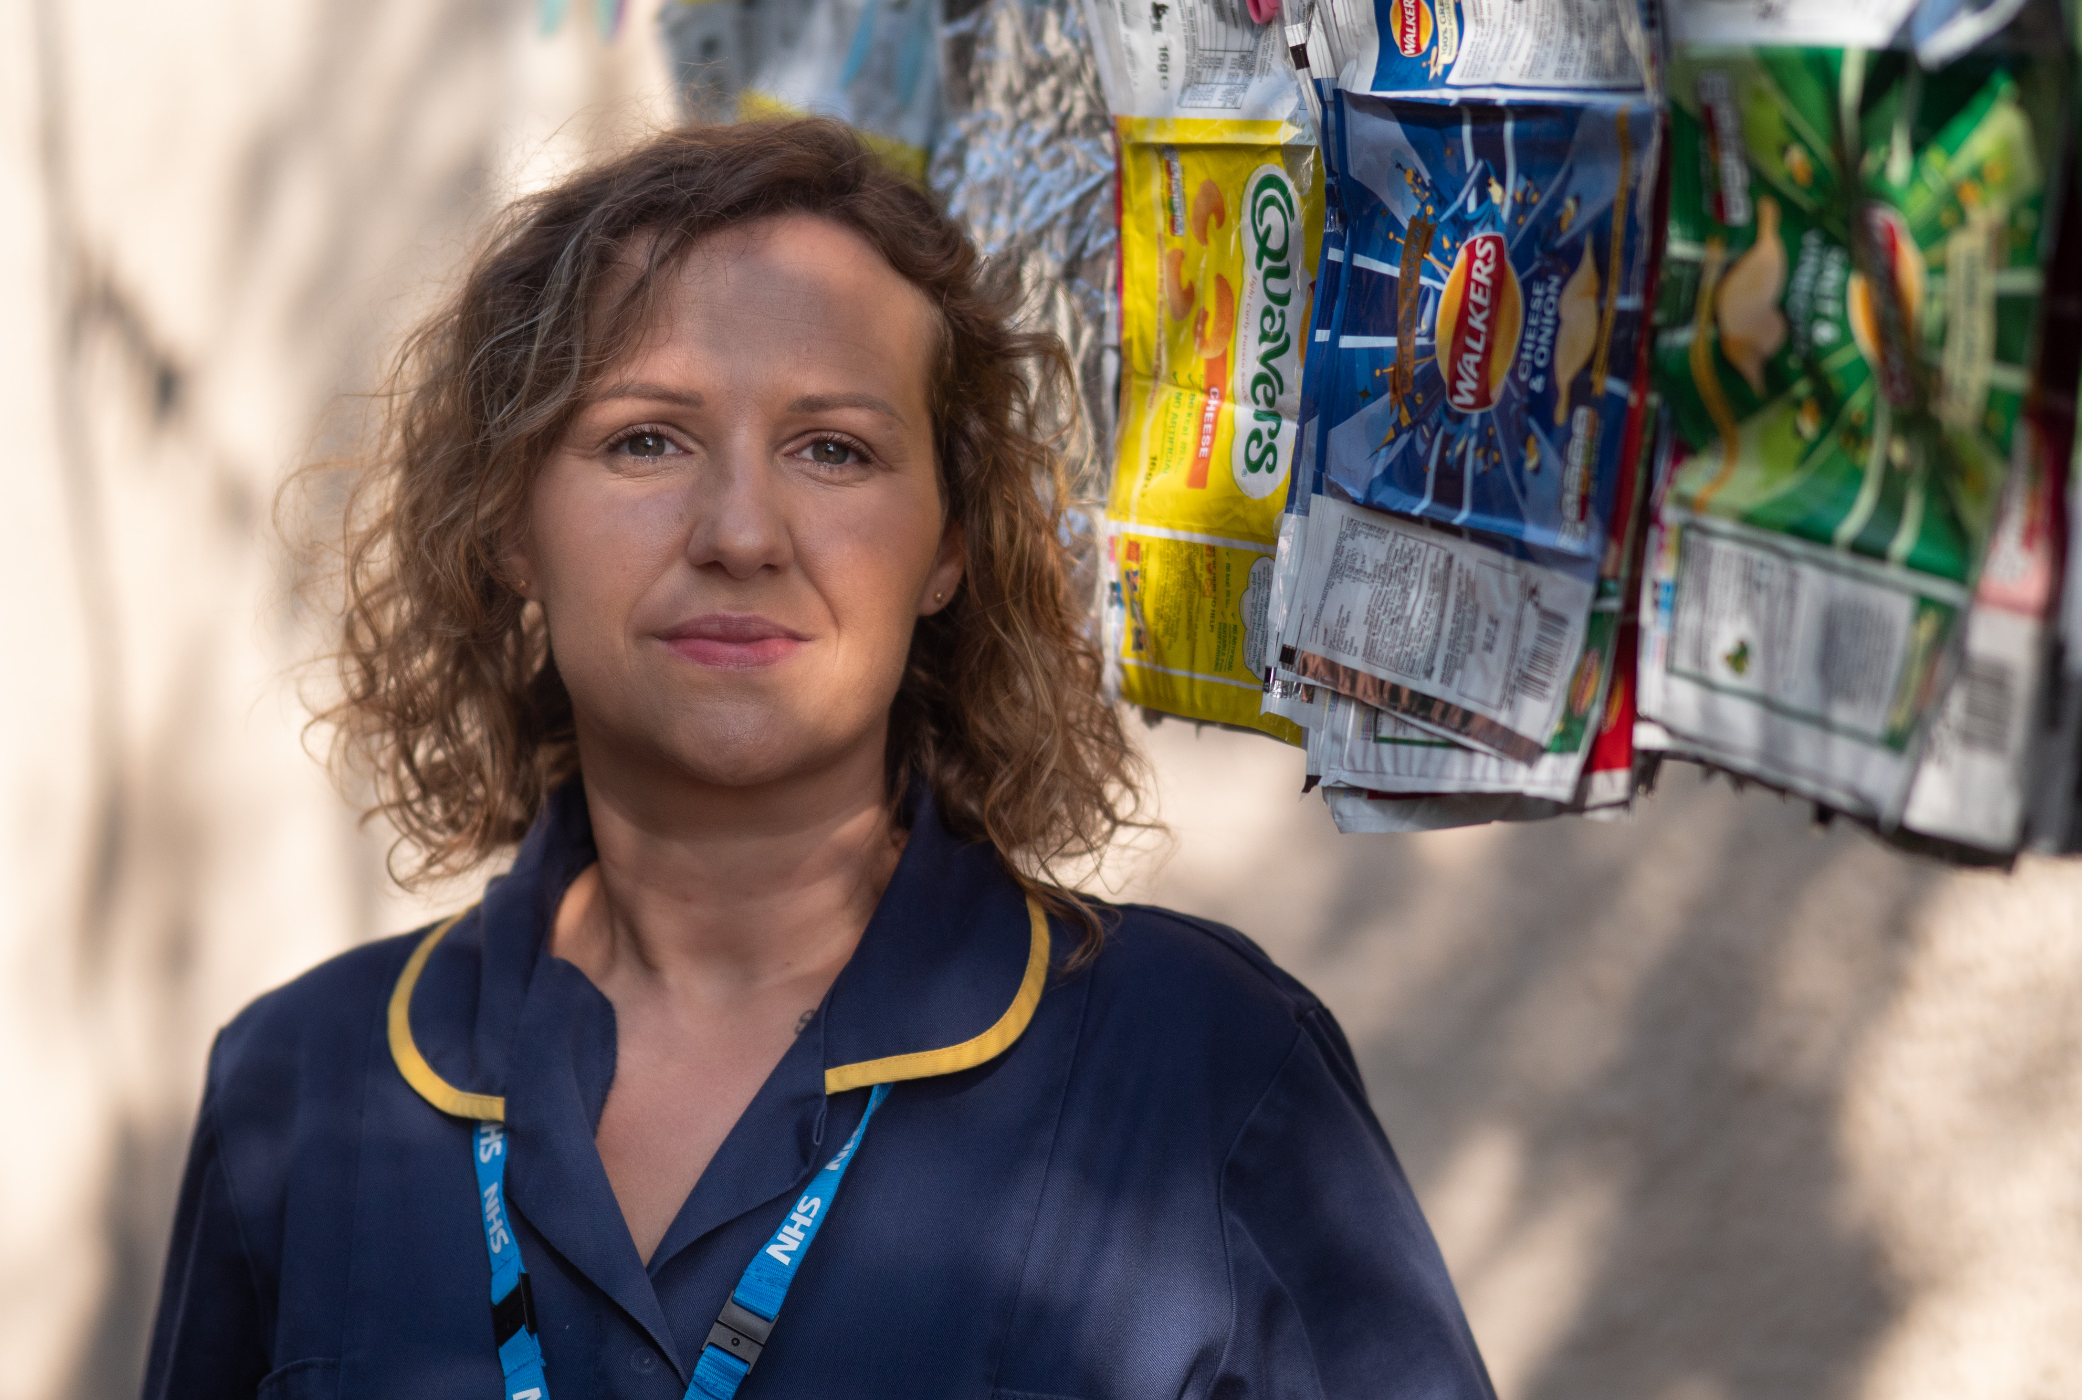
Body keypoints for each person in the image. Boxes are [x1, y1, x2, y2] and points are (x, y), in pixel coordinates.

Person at [142, 118, 1496, 1400]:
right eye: (645, 439)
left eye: (833, 449)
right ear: (508, 523)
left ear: (951, 547)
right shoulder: (302, 1088)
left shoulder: (1205, 1068)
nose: (741, 530)